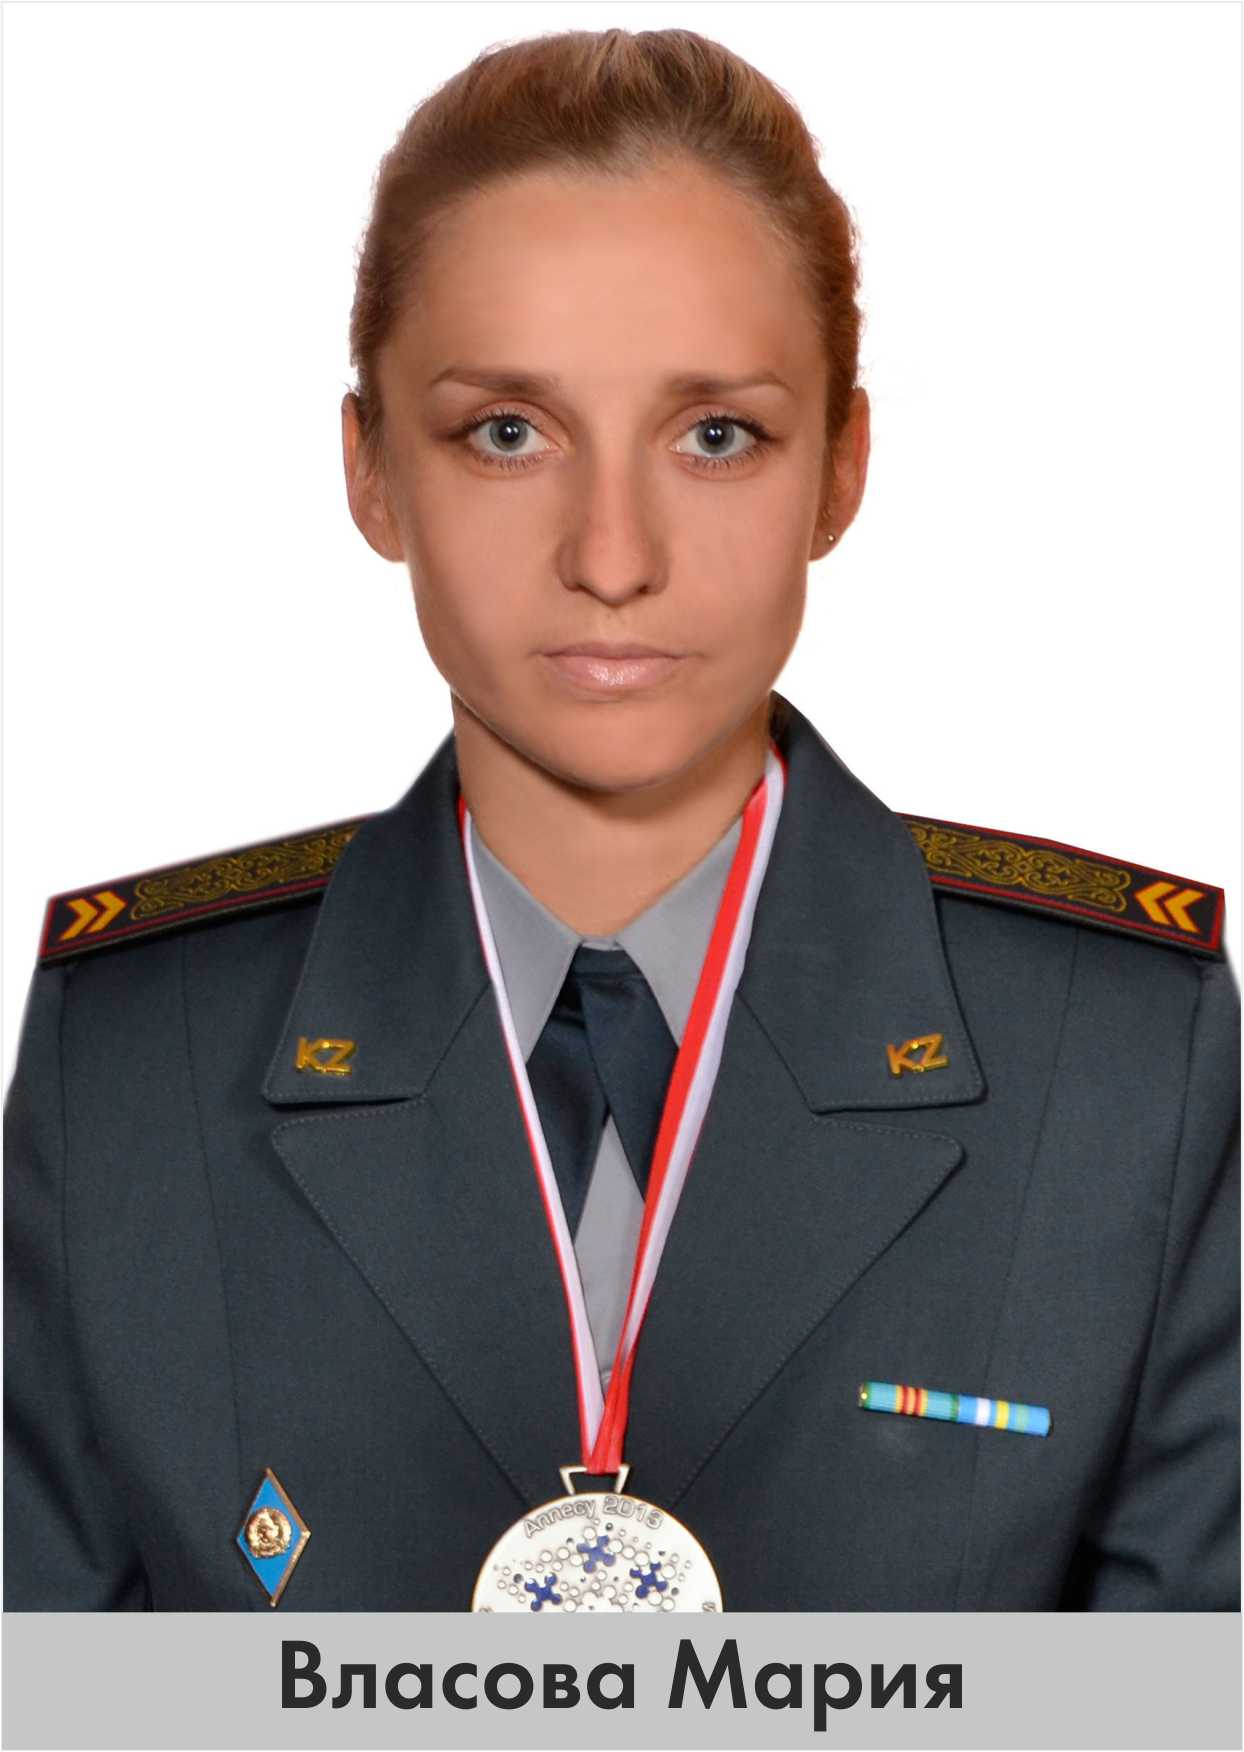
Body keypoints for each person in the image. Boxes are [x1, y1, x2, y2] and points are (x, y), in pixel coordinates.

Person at [4, 26, 1238, 1614]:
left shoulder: (1125, 1061)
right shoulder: (130, 1063)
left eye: (714, 435)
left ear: (839, 470)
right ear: (371, 472)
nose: (611, 556)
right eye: (507, 432)